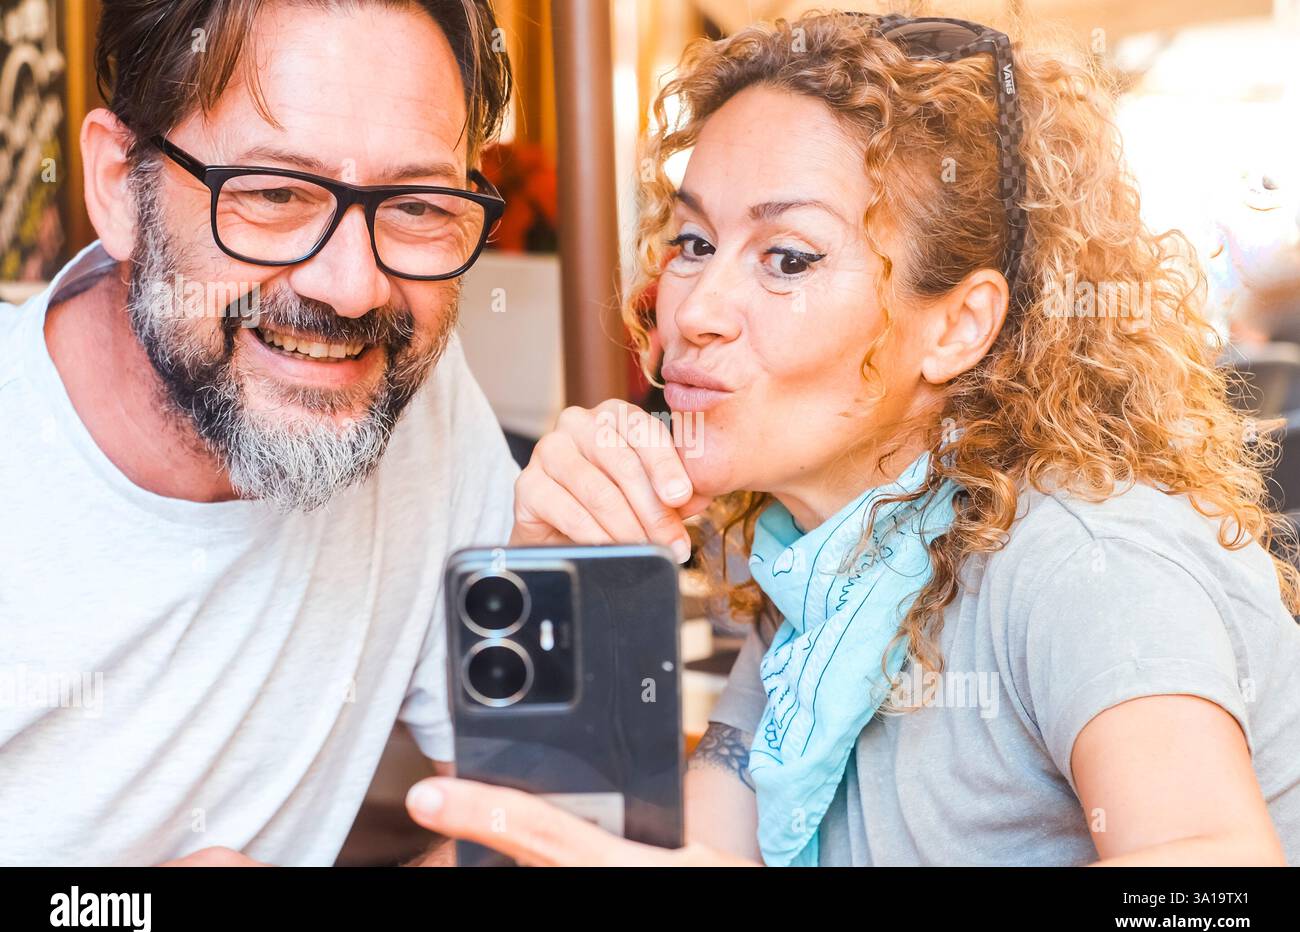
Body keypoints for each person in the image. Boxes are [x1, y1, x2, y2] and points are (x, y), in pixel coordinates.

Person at [406, 10, 1300, 865]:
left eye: (788, 258)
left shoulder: (1084, 562)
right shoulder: (825, 575)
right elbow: (649, 851)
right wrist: (563, 592)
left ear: (957, 327)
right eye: (691, 242)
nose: (693, 312)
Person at [0, 0, 518, 865]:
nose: (354, 288)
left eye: (419, 208)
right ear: (117, 185)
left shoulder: (411, 398)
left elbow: (538, 822)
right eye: (275, 192)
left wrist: (586, 578)